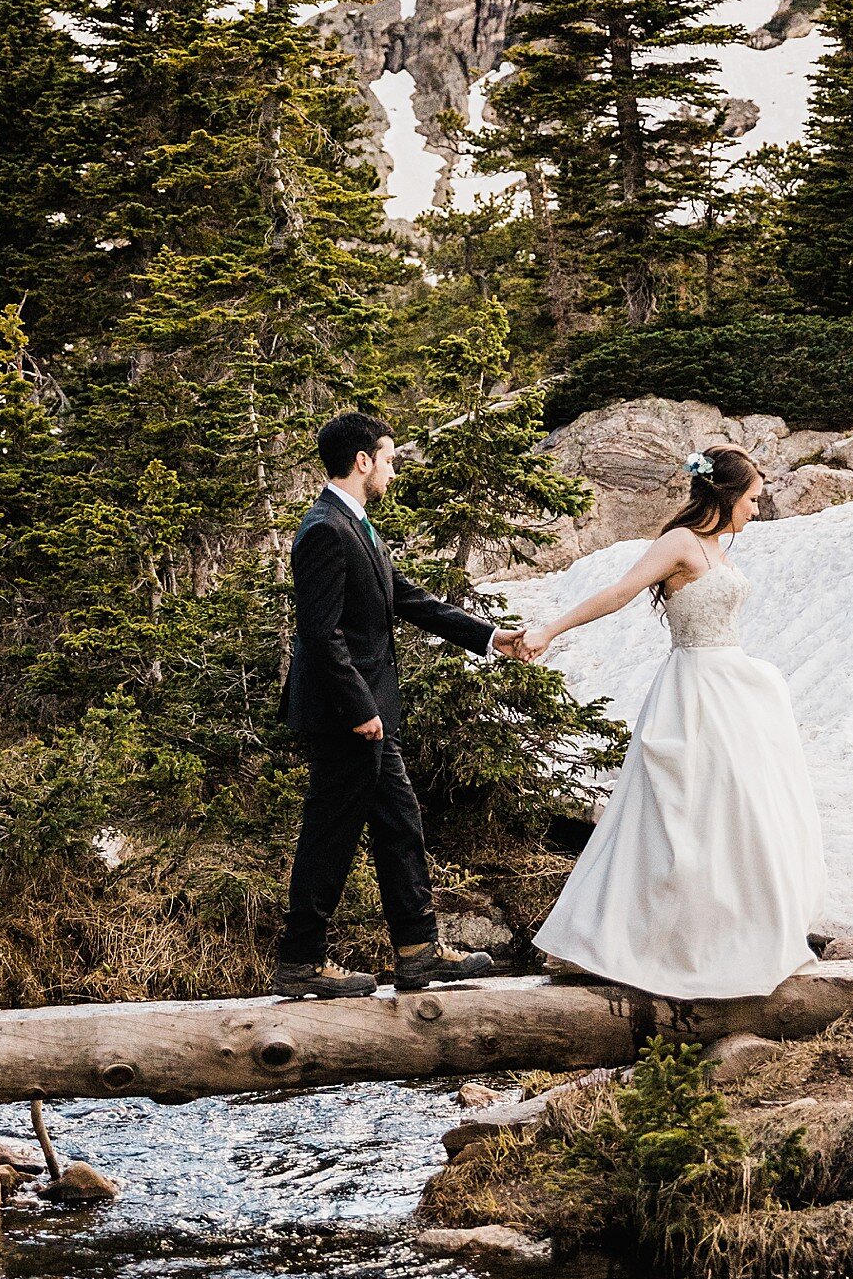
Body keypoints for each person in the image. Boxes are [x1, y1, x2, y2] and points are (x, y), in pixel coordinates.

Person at [518, 446, 824, 1000]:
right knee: (680, 814)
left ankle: (737, 932)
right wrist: (550, 631)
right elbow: (620, 592)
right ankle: (655, 942)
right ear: (727, 494)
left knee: (736, 811)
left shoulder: (714, 548)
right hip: (694, 690)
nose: (757, 510)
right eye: (753, 499)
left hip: (732, 687)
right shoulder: (681, 543)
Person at [277, 408, 522, 1001]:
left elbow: (404, 599)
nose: (392, 469)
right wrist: (361, 708)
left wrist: (490, 637)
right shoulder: (324, 530)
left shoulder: (354, 523)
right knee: (331, 833)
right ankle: (302, 961)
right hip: (347, 715)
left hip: (367, 714)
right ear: (362, 461)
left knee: (398, 822)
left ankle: (417, 952)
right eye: (388, 458)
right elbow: (321, 632)